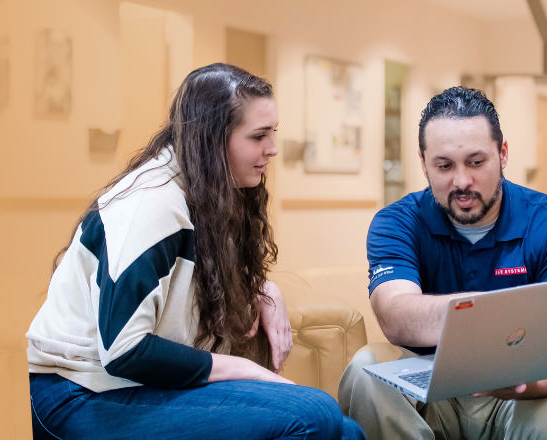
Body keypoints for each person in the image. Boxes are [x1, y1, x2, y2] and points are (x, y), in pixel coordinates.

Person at [27, 63, 365, 440]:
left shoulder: (208, 191)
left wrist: (265, 289)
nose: (272, 149)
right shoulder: (151, 205)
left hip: (134, 386)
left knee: (347, 431)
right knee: (315, 414)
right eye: (258, 136)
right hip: (81, 394)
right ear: (212, 139)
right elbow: (124, 350)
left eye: (273, 133)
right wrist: (244, 369)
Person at [338, 87, 547, 440]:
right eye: (444, 166)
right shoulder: (398, 222)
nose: (462, 181)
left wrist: (522, 377)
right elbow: (395, 316)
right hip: (430, 386)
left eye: (476, 162)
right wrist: (493, 315)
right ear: (423, 162)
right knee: (364, 371)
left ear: (502, 153)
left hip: (523, 389)